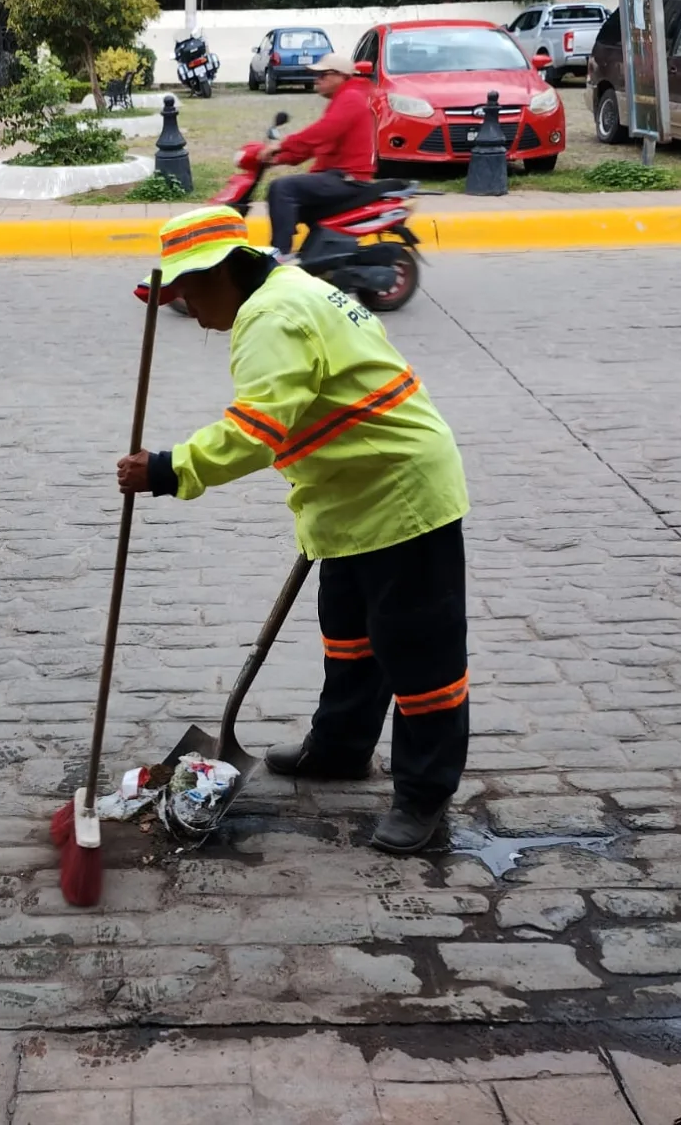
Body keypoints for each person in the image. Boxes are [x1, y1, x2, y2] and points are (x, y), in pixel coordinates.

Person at [118, 206, 471, 855]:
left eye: (190, 291)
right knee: (349, 637)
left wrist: (169, 469)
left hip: (396, 493)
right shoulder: (290, 286)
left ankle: (424, 797)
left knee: (420, 657)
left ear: (225, 271)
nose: (189, 312)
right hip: (349, 495)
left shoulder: (270, 317)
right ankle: (338, 749)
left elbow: (258, 430)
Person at [260, 54, 377, 261]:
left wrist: (282, 145)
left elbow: (323, 132)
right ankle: (311, 261)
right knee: (288, 198)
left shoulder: (351, 98)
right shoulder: (343, 98)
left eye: (323, 74)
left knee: (282, 188)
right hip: (337, 175)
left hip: (348, 178)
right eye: (316, 74)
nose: (317, 79)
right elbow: (317, 145)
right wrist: (278, 158)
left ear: (340, 76)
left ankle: (280, 255)